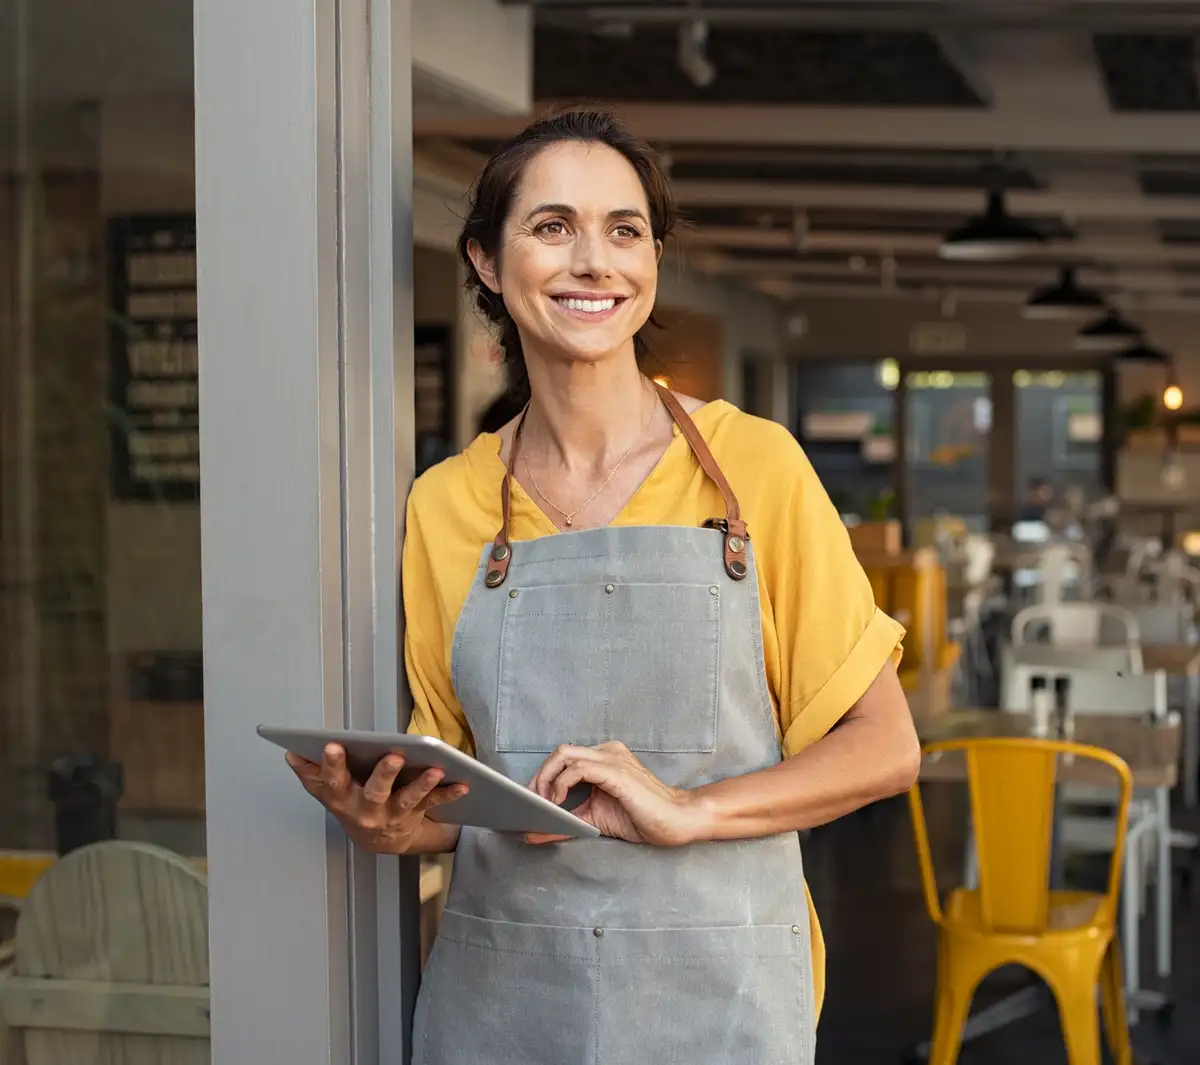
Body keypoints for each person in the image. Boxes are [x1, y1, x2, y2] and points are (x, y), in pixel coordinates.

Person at [285, 109, 920, 1065]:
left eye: (625, 230)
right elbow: (457, 793)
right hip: (505, 1005)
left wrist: (691, 810)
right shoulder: (446, 505)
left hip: (723, 1004)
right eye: (553, 227)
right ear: (488, 264)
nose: (595, 261)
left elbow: (886, 747)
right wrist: (395, 826)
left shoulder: (755, 469)